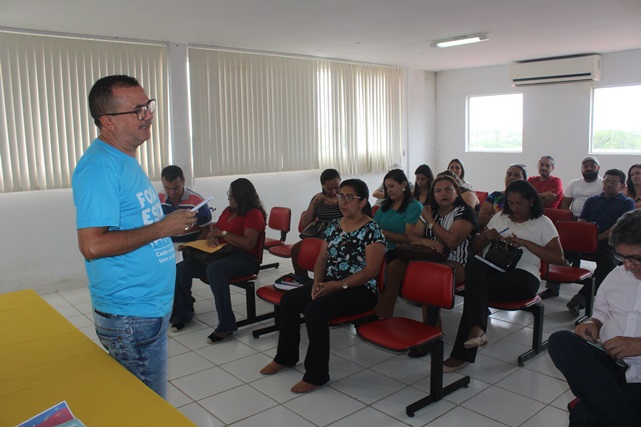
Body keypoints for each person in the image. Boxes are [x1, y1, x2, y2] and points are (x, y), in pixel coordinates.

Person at [72, 75, 196, 398]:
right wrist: (162, 228)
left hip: (146, 309)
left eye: (148, 105)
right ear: (108, 122)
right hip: (131, 315)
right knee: (147, 411)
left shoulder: (124, 159)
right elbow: (92, 245)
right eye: (138, 110)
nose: (149, 115)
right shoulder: (100, 166)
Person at [259, 179, 385, 393]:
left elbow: (371, 271)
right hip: (330, 283)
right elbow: (322, 259)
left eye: (349, 198)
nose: (342, 202)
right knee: (289, 300)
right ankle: (286, 357)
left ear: (363, 201)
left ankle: (316, 375)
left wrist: (337, 285)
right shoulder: (335, 225)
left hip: (360, 290)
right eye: (340, 197)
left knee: (314, 310)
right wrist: (317, 283)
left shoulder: (373, 230)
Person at [443, 180, 564, 372]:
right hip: (496, 267)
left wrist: (525, 243)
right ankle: (477, 330)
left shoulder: (542, 223)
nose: (514, 208)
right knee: (474, 269)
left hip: (525, 275)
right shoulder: (500, 217)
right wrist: (486, 237)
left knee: (476, 291)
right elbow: (474, 249)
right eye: (511, 203)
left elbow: (559, 258)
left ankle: (465, 349)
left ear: (531, 201)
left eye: (519, 203)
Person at [548, 209, 641, 427]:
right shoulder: (618, 274)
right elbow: (600, 312)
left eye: (635, 259)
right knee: (561, 341)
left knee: (584, 415)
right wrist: (593, 324)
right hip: (611, 362)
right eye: (621, 257)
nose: (627, 265)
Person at [376, 175, 477, 340]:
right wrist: (428, 242)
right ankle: (382, 317)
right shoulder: (431, 210)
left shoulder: (465, 212)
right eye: (438, 190)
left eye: (448, 189)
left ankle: (431, 332)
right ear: (434, 194)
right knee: (394, 267)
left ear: (457, 193)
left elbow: (451, 241)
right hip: (428, 260)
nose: (443, 193)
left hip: (458, 264)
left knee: (428, 275)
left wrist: (430, 221)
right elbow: (413, 237)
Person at [172, 178, 267, 340]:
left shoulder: (254, 214)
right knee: (183, 268)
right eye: (229, 194)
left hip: (243, 258)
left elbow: (248, 243)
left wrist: (222, 234)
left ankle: (226, 324)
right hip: (220, 253)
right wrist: (210, 237)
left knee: (215, 269)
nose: (229, 198)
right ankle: (182, 314)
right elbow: (215, 229)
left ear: (243, 196)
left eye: (232, 195)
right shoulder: (228, 211)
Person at [566, 169, 635, 317]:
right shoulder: (592, 200)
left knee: (607, 264)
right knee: (561, 249)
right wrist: (586, 236)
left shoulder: (627, 203)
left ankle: (579, 300)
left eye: (614, 182)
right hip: (587, 239)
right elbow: (582, 221)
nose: (609, 184)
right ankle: (553, 286)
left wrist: (597, 237)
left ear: (622, 186)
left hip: (609, 243)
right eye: (607, 181)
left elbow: (618, 227)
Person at [373, 169, 422, 317]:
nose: (388, 190)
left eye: (391, 186)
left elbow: (409, 238)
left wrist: (382, 233)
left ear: (404, 185)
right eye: (386, 187)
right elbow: (373, 228)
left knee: (385, 268)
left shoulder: (414, 207)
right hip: (382, 248)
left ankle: (382, 314)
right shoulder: (385, 206)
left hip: (402, 252)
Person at [290, 168, 343, 278]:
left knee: (323, 252)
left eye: (337, 187)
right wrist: (313, 204)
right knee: (296, 249)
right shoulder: (318, 198)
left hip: (340, 233)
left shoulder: (345, 198)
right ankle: (302, 279)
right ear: (322, 186)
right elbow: (305, 223)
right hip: (320, 233)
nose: (334, 192)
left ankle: (324, 279)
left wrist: (339, 204)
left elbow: (353, 217)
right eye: (329, 189)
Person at [159, 165, 212, 244]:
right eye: (167, 188)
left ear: (183, 181)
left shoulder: (198, 201)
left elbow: (207, 230)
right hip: (166, 247)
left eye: (176, 188)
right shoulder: (157, 200)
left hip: (191, 246)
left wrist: (191, 247)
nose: (172, 193)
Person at [478, 163, 527, 229]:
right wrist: (501, 218)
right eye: (509, 174)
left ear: (524, 180)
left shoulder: (528, 198)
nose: (512, 177)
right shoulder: (495, 196)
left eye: (516, 175)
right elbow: (481, 218)